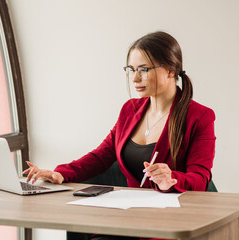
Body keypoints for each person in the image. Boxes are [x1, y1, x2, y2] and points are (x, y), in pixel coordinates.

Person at [23, 31, 216, 239]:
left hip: (170, 222)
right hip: (130, 216)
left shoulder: (200, 116)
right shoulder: (129, 110)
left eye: (143, 69)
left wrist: (171, 179)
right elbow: (101, 156)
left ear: (170, 70)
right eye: (131, 69)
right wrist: (61, 173)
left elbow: (201, 178)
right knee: (84, 229)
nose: (135, 78)